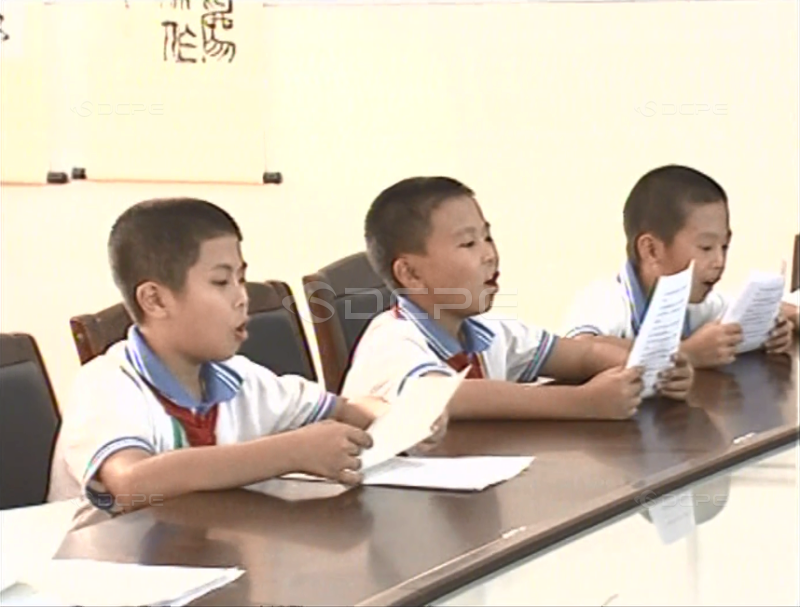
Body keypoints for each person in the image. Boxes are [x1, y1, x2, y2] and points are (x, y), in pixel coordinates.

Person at [49, 198, 387, 528]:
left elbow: (344, 409)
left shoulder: (239, 377)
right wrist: (292, 452)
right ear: (155, 300)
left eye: (241, 279)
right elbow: (129, 484)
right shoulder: (107, 383)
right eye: (221, 282)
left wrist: (399, 415)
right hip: (106, 560)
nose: (242, 298)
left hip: (205, 556)